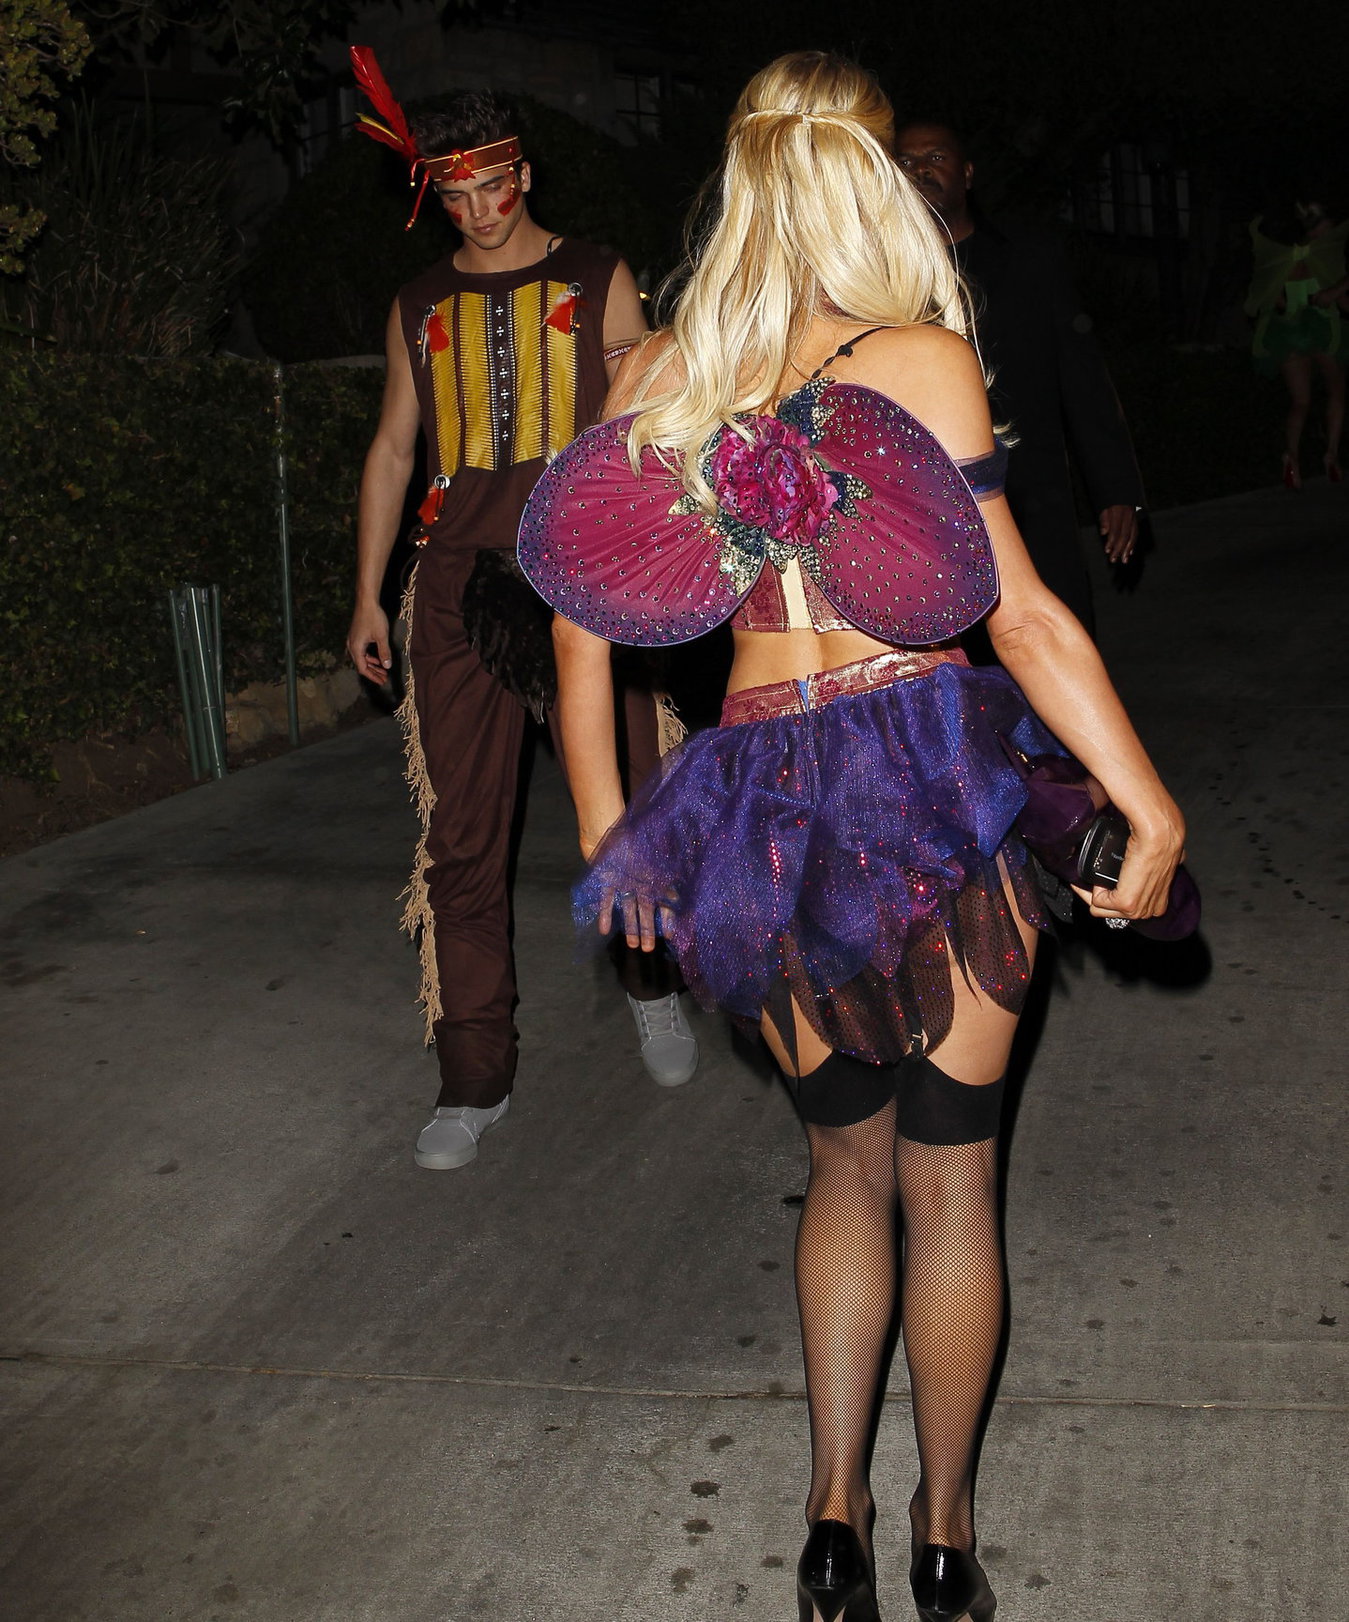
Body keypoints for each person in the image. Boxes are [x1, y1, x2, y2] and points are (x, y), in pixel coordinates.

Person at [519, 52, 1185, 1622]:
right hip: (929, 777)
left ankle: (833, 1518)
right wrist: (1143, 796)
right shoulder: (919, 360)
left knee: (842, 1167)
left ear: (742, 173)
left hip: (754, 804)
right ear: (868, 175)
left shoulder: (663, 370)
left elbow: (578, 646)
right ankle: (946, 1537)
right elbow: (1017, 617)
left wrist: (622, 848)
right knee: (954, 1183)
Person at [346, 65, 698, 1172]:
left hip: (585, 576)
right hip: (455, 587)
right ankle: (471, 1074)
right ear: (430, 195)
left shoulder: (598, 275)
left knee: (633, 805)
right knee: (461, 836)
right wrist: (365, 592)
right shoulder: (416, 301)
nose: (479, 209)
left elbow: (652, 427)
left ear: (522, 172)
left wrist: (667, 564)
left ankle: (650, 984)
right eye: (454, 194)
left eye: (493, 184)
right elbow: (395, 447)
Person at [894, 121, 1145, 636]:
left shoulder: (1029, 258)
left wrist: (1116, 487)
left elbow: (1081, 376)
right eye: (906, 161)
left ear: (967, 173)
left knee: (1055, 637)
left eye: (935, 156)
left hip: (1034, 496)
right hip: (923, 506)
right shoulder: (878, 276)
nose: (920, 169)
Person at [1245, 196, 1348, 487]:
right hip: (1323, 329)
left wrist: (1290, 302)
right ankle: (1331, 455)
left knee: (1300, 401)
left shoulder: (1282, 260)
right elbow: (1339, 300)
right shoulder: (1322, 261)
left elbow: (1271, 300)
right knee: (1337, 393)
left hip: (1288, 331)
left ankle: (1291, 457)